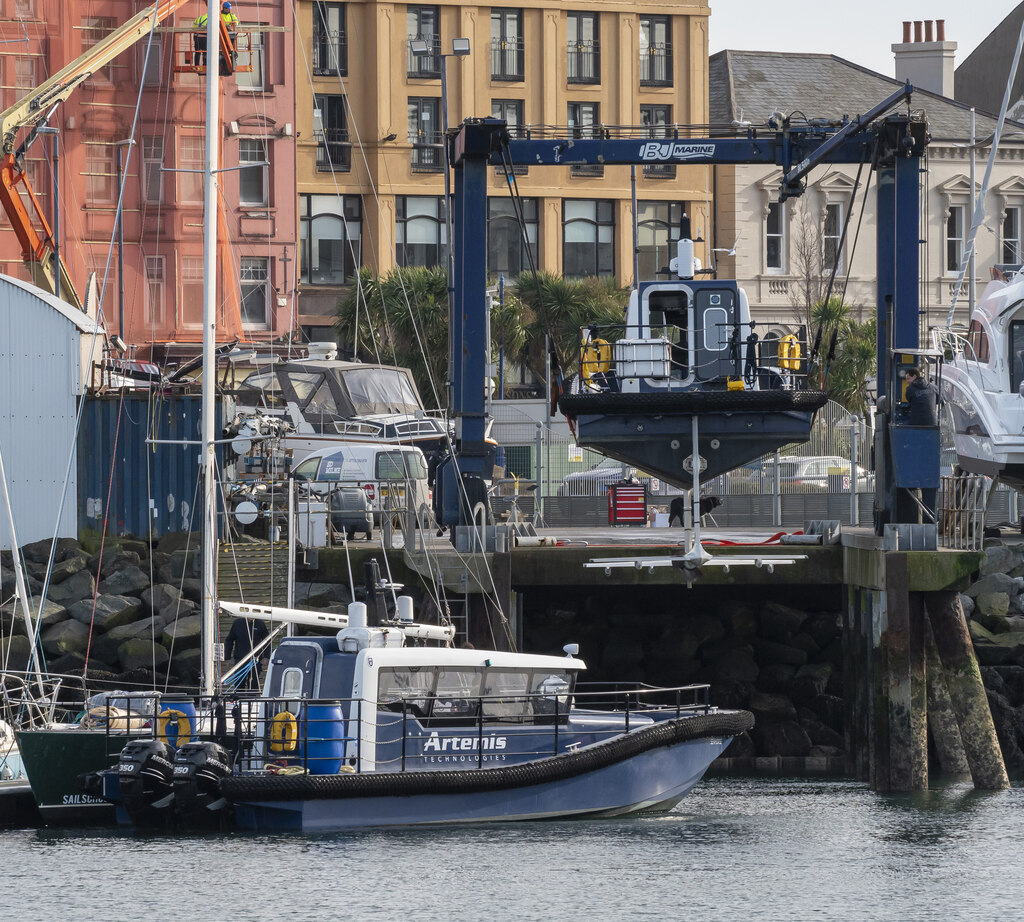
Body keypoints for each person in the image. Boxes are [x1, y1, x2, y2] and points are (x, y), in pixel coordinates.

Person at [224, 616, 269, 689]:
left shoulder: (260, 624)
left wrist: (266, 657)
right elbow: (229, 640)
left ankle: (253, 699)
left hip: (255, 659)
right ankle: (239, 698)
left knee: (254, 683)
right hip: (240, 659)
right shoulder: (237, 623)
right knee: (239, 683)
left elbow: (267, 641)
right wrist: (228, 658)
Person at [220, 2, 239, 74]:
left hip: (230, 32)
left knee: (231, 47)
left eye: (229, 9)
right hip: (222, 32)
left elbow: (236, 21)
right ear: (224, 8)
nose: (228, 10)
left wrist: (233, 23)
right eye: (227, 9)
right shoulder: (220, 15)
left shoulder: (232, 15)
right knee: (222, 48)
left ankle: (231, 57)